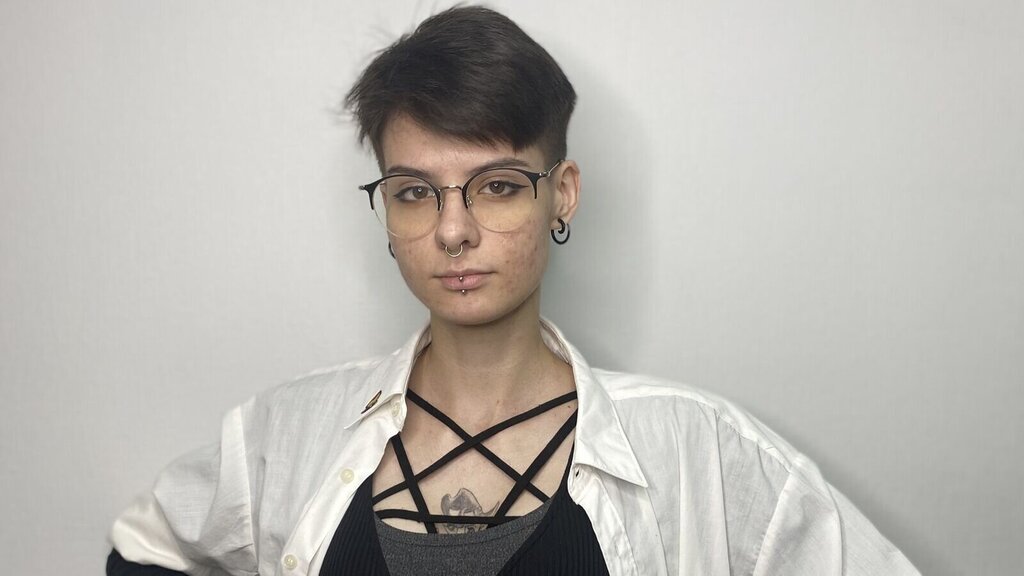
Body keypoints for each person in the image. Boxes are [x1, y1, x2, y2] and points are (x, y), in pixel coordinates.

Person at [107, 6, 920, 576]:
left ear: (561, 194)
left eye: (496, 186)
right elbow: (145, 549)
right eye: (414, 192)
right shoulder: (285, 432)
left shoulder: (696, 448)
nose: (453, 230)